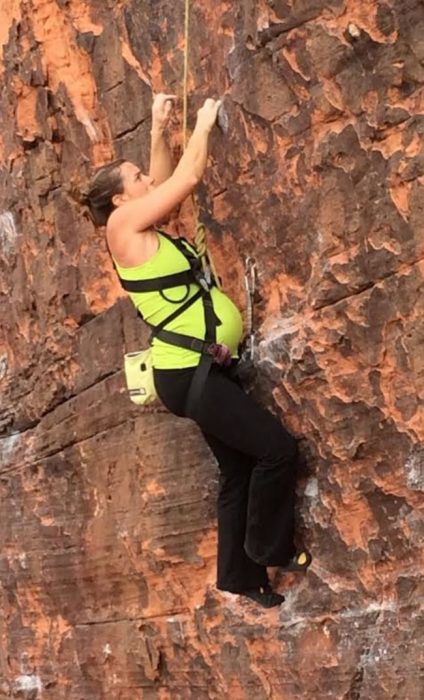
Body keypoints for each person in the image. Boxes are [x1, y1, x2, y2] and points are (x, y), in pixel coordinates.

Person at [81, 93, 312, 608]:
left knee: (238, 470)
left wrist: (160, 131)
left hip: (197, 371)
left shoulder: (139, 225)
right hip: (189, 374)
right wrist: (203, 126)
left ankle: (240, 576)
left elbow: (164, 189)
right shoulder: (120, 229)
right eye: (136, 176)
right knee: (277, 450)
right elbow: (183, 182)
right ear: (119, 200)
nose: (146, 180)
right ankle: (270, 547)